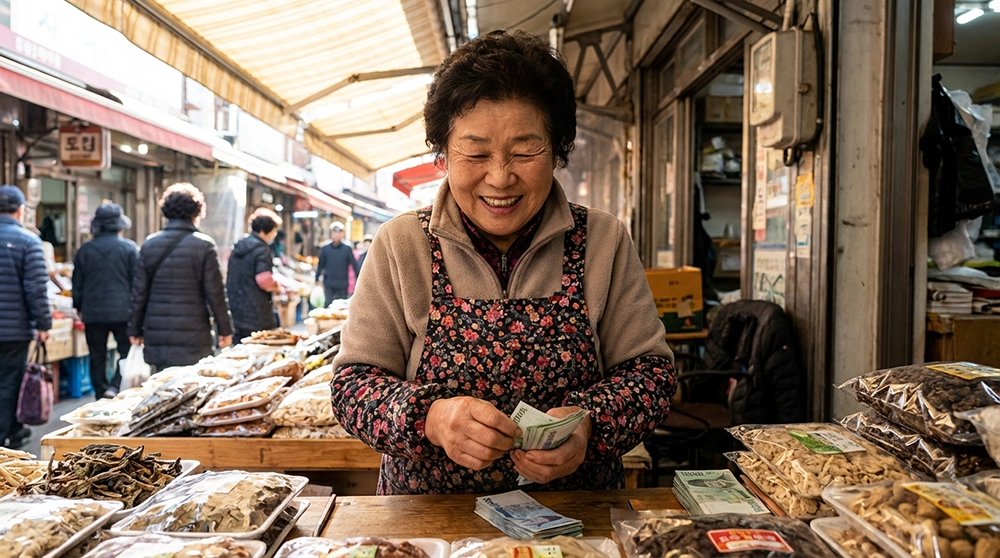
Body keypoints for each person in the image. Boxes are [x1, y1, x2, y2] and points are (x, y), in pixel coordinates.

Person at [331, 30, 676, 495]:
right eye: (475, 153)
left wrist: (588, 425)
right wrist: (432, 419)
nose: (500, 177)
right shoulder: (402, 243)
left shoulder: (602, 240)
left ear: (557, 150)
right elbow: (352, 386)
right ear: (442, 155)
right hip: (429, 525)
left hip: (577, 519)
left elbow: (651, 373)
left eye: (524, 151)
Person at [128, 183, 233, 369]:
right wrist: (224, 329)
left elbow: (139, 293)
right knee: (193, 388)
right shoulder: (204, 246)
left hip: (157, 333)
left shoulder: (150, 244)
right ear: (197, 212)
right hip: (194, 334)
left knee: (161, 389)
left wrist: (135, 328)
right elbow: (215, 294)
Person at [0, 185, 50, 449]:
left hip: (14, 327)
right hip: (13, 330)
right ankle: (5, 439)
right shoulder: (28, 241)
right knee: (9, 384)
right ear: (20, 210)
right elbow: (36, 288)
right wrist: (44, 323)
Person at [72, 203, 138, 398]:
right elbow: (137, 283)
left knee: (97, 355)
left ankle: (101, 393)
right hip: (123, 311)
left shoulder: (85, 250)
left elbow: (77, 284)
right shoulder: (129, 249)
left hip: (93, 312)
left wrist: (78, 306)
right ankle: (116, 386)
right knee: (127, 352)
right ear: (120, 225)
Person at [227, 208, 284, 342]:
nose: (275, 235)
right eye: (274, 231)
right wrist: (277, 286)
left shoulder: (239, 246)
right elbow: (263, 280)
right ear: (266, 230)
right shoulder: (261, 249)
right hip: (257, 311)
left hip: (236, 308)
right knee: (260, 348)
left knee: (240, 349)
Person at [315, 222, 358, 304]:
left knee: (342, 307)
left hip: (342, 283)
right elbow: (320, 265)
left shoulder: (347, 248)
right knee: (328, 305)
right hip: (329, 283)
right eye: (334, 232)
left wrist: (358, 279)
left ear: (342, 234)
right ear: (331, 234)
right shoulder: (325, 248)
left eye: (339, 232)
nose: (337, 235)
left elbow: (354, 265)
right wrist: (317, 278)